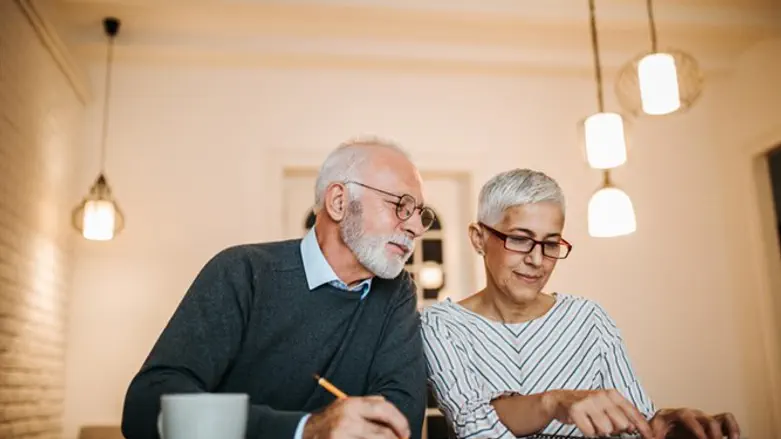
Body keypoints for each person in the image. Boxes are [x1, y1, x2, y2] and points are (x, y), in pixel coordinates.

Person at [121, 137, 436, 439]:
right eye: (401, 205)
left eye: (420, 214)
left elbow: (399, 422)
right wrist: (305, 430)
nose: (416, 228)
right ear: (339, 202)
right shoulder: (242, 272)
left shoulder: (397, 293)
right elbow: (146, 408)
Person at [421, 169, 741, 439]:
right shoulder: (441, 324)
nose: (537, 260)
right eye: (519, 239)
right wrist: (553, 402)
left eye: (550, 243)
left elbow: (635, 424)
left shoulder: (589, 319)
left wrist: (664, 425)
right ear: (479, 238)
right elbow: (474, 427)